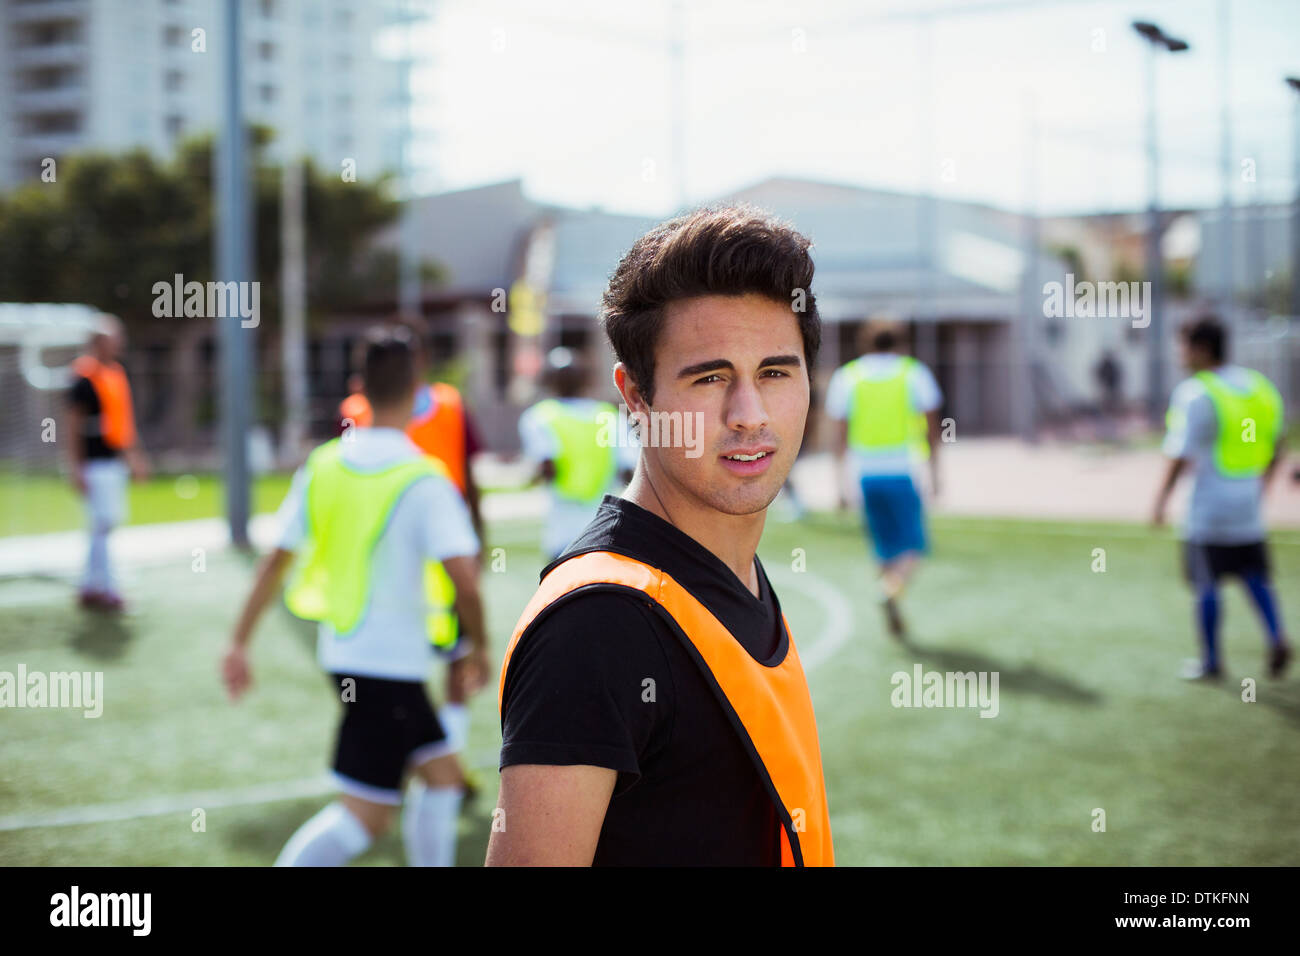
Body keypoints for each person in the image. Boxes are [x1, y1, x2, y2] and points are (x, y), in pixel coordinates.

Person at [486, 204, 835, 867]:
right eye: (709, 377)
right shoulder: (600, 624)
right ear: (635, 396)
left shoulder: (734, 568)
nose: (749, 415)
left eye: (775, 372)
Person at [222, 327, 489, 866]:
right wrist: (479, 649)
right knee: (364, 818)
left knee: (441, 779)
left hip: (348, 656)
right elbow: (464, 579)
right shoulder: (424, 477)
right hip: (387, 668)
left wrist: (238, 642)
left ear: (356, 388)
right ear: (419, 387)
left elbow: (275, 561)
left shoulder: (323, 464)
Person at [1152, 316, 1290, 680]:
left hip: (1208, 504)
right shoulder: (1258, 386)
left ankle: (1212, 661)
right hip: (1248, 498)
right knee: (1255, 574)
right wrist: (1262, 486)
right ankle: (1277, 635)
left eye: (1183, 345)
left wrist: (1160, 502)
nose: (1179, 353)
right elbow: (1279, 446)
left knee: (1206, 582)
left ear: (1200, 348)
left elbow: (1179, 455)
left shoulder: (1196, 392)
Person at [825, 320, 942, 638]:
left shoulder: (848, 376)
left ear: (864, 343)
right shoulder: (913, 373)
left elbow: (839, 437)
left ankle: (889, 592)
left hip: (865, 475)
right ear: (901, 343)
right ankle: (891, 592)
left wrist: (838, 486)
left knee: (884, 546)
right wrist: (936, 474)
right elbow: (933, 429)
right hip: (903, 470)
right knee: (914, 546)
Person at [65, 314, 149, 612]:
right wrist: (75, 467)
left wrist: (135, 457)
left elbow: (124, 424)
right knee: (101, 524)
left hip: (113, 462)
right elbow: (73, 426)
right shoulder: (82, 379)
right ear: (98, 342)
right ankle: (106, 587)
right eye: (114, 338)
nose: (119, 343)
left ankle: (90, 585)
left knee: (104, 525)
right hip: (94, 463)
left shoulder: (115, 375)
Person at [517, 346, 633, 561]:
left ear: (549, 380)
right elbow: (629, 471)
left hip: (563, 529)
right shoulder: (609, 417)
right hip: (605, 528)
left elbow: (548, 468)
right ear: (585, 380)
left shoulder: (540, 416)